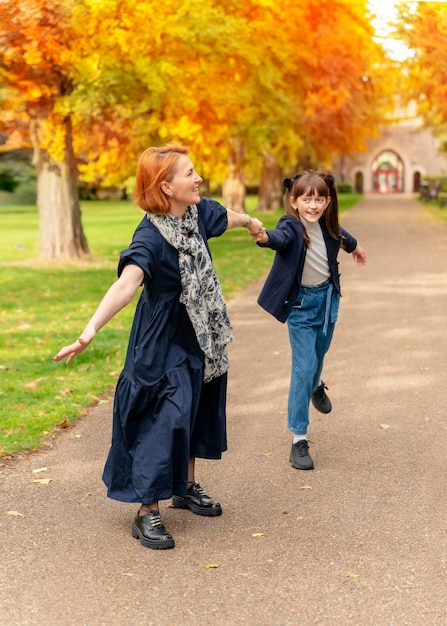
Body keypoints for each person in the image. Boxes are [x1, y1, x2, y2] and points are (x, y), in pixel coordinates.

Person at [52, 143, 263, 550]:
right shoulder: (150, 235)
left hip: (200, 331)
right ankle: (147, 511)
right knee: (165, 414)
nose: (198, 178)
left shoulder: (198, 214)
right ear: (166, 186)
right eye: (189, 173)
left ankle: (184, 487)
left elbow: (228, 217)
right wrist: (89, 329)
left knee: (195, 405)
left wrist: (252, 221)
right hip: (161, 340)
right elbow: (127, 284)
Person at [251, 170, 366, 471]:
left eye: (319, 199)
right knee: (303, 368)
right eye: (306, 200)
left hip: (328, 300)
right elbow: (279, 239)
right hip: (301, 307)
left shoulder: (328, 224)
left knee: (319, 355)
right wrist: (264, 238)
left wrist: (355, 248)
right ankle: (298, 439)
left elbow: (341, 234)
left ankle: (316, 385)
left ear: (328, 202)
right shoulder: (291, 225)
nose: (313, 206)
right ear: (294, 201)